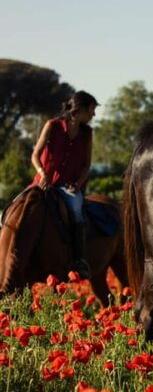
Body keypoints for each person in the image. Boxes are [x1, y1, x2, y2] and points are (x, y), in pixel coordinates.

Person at [31, 90, 98, 278]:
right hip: (43, 182)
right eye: (91, 110)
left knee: (77, 211)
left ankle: (79, 260)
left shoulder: (87, 133)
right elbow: (35, 155)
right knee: (18, 207)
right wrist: (43, 174)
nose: (94, 115)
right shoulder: (52, 126)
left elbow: (87, 165)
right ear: (80, 109)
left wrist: (78, 184)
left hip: (68, 187)